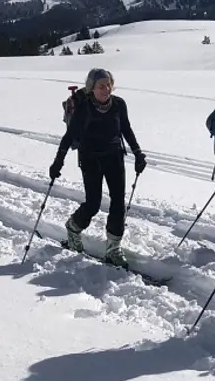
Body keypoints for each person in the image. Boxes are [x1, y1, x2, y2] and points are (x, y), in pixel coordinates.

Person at [49, 68, 147, 267]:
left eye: (109, 85)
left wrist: (138, 153)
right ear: (91, 87)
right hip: (90, 159)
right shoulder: (84, 108)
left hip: (114, 157)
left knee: (118, 203)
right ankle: (73, 228)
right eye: (101, 86)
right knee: (93, 204)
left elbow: (126, 129)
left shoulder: (119, 104)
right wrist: (58, 161)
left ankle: (113, 248)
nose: (106, 89)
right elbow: (69, 136)